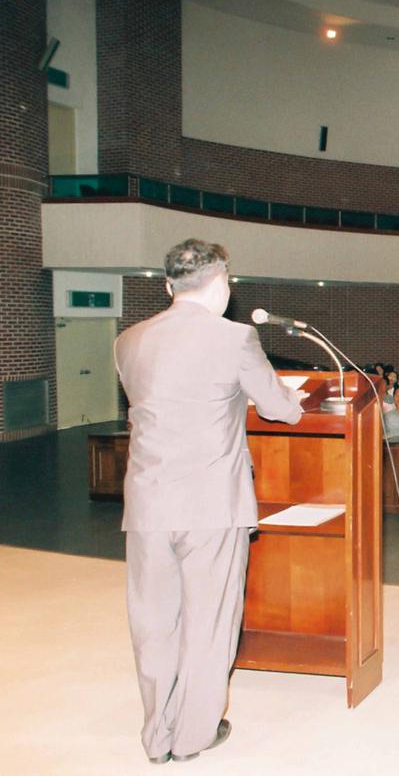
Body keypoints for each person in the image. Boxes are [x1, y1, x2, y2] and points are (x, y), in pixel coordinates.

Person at [115, 239, 303, 764]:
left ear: (167, 285)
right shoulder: (234, 338)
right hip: (210, 506)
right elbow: (281, 409)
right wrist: (290, 398)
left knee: (154, 625)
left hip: (148, 505)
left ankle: (157, 737)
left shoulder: (128, 341)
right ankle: (193, 736)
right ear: (222, 283)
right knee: (209, 622)